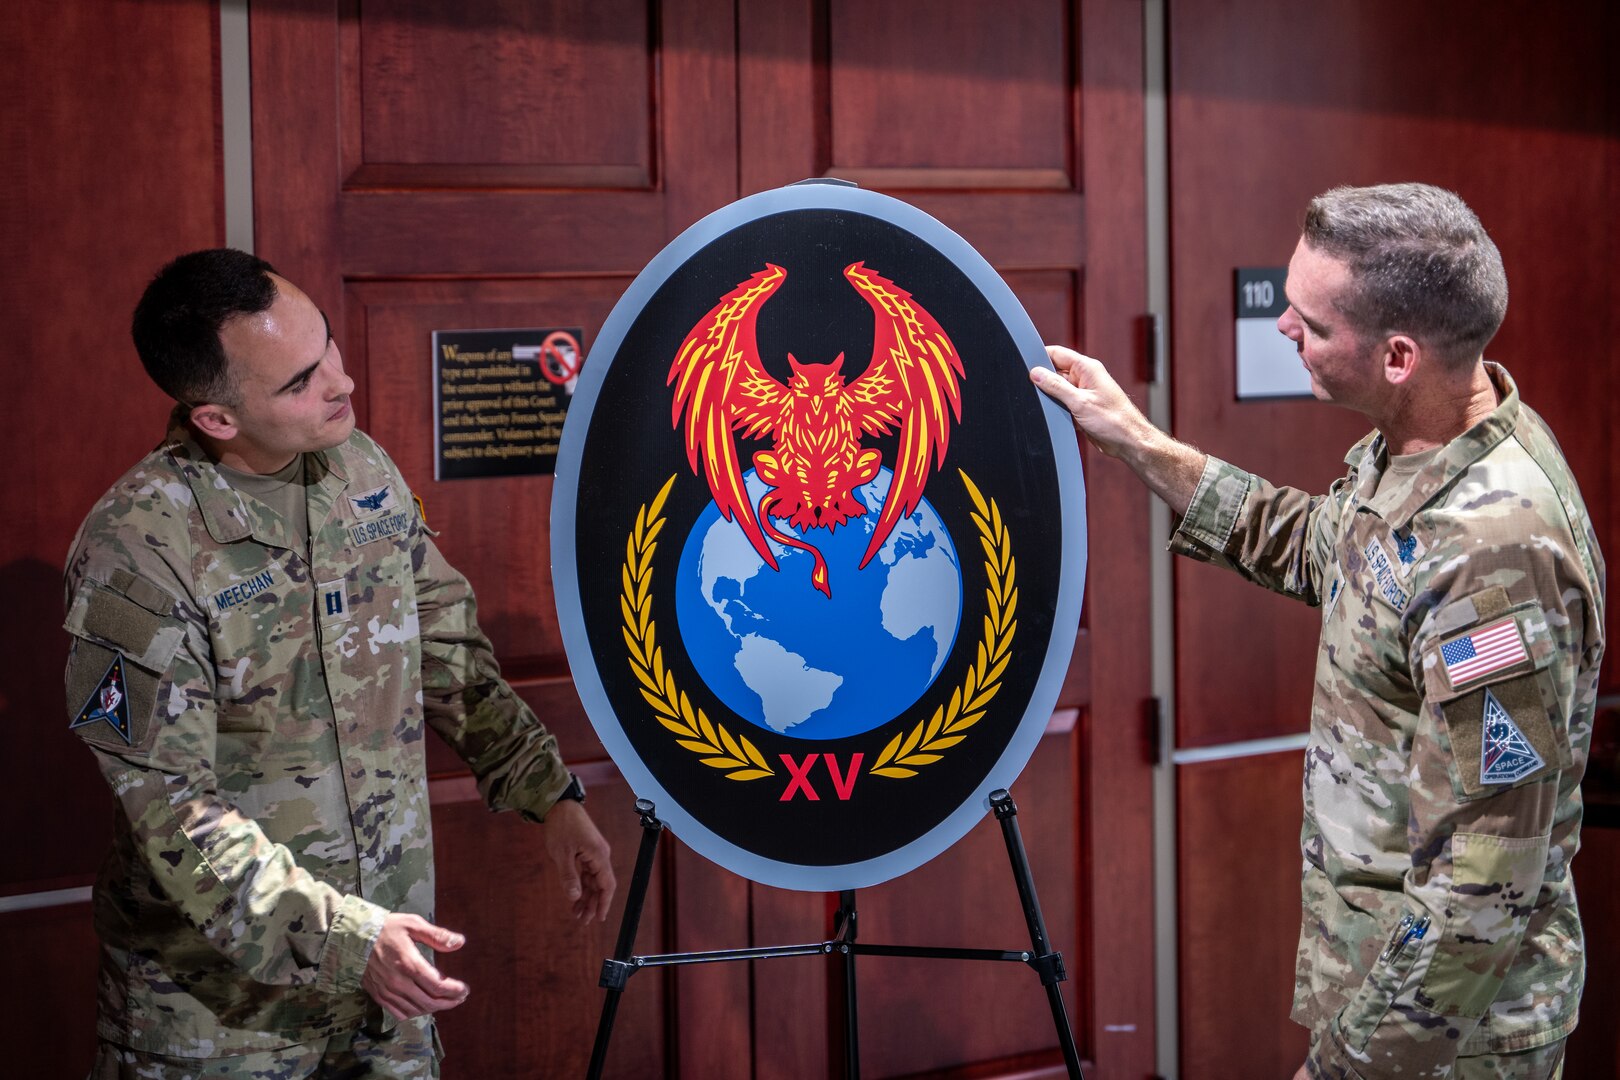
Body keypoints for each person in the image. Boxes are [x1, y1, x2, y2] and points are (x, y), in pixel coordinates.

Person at [1033, 184, 1604, 1079]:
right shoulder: (1423, 449)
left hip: (1446, 1040)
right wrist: (1135, 440)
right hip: (1390, 997)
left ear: (1399, 356)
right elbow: (1323, 549)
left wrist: (1349, 1065)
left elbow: (1480, 886)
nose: (1283, 330)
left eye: (1311, 322)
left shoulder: (1494, 554)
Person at [64, 249, 616, 1077]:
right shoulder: (137, 552)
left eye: (326, 345)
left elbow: (448, 655)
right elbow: (171, 810)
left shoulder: (361, 473)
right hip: (219, 1016)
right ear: (216, 416)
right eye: (299, 381)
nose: (341, 381)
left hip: (384, 988)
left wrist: (549, 796)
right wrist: (350, 941)